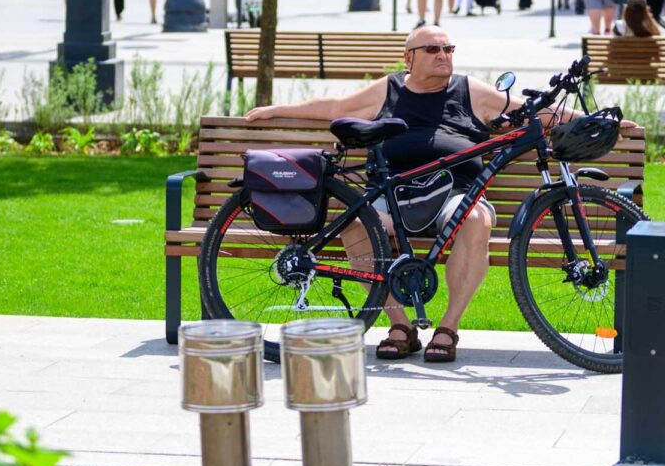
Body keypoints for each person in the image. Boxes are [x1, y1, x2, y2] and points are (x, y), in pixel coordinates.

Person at [244, 26, 632, 363]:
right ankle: (400, 327)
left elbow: (531, 114)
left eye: (449, 49)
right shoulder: (388, 89)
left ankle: (447, 329)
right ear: (409, 57)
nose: (443, 56)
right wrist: (279, 109)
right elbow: (336, 107)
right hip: (395, 195)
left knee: (477, 219)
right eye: (433, 49)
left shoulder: (469, 90)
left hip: (455, 197)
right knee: (357, 228)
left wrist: (592, 122)